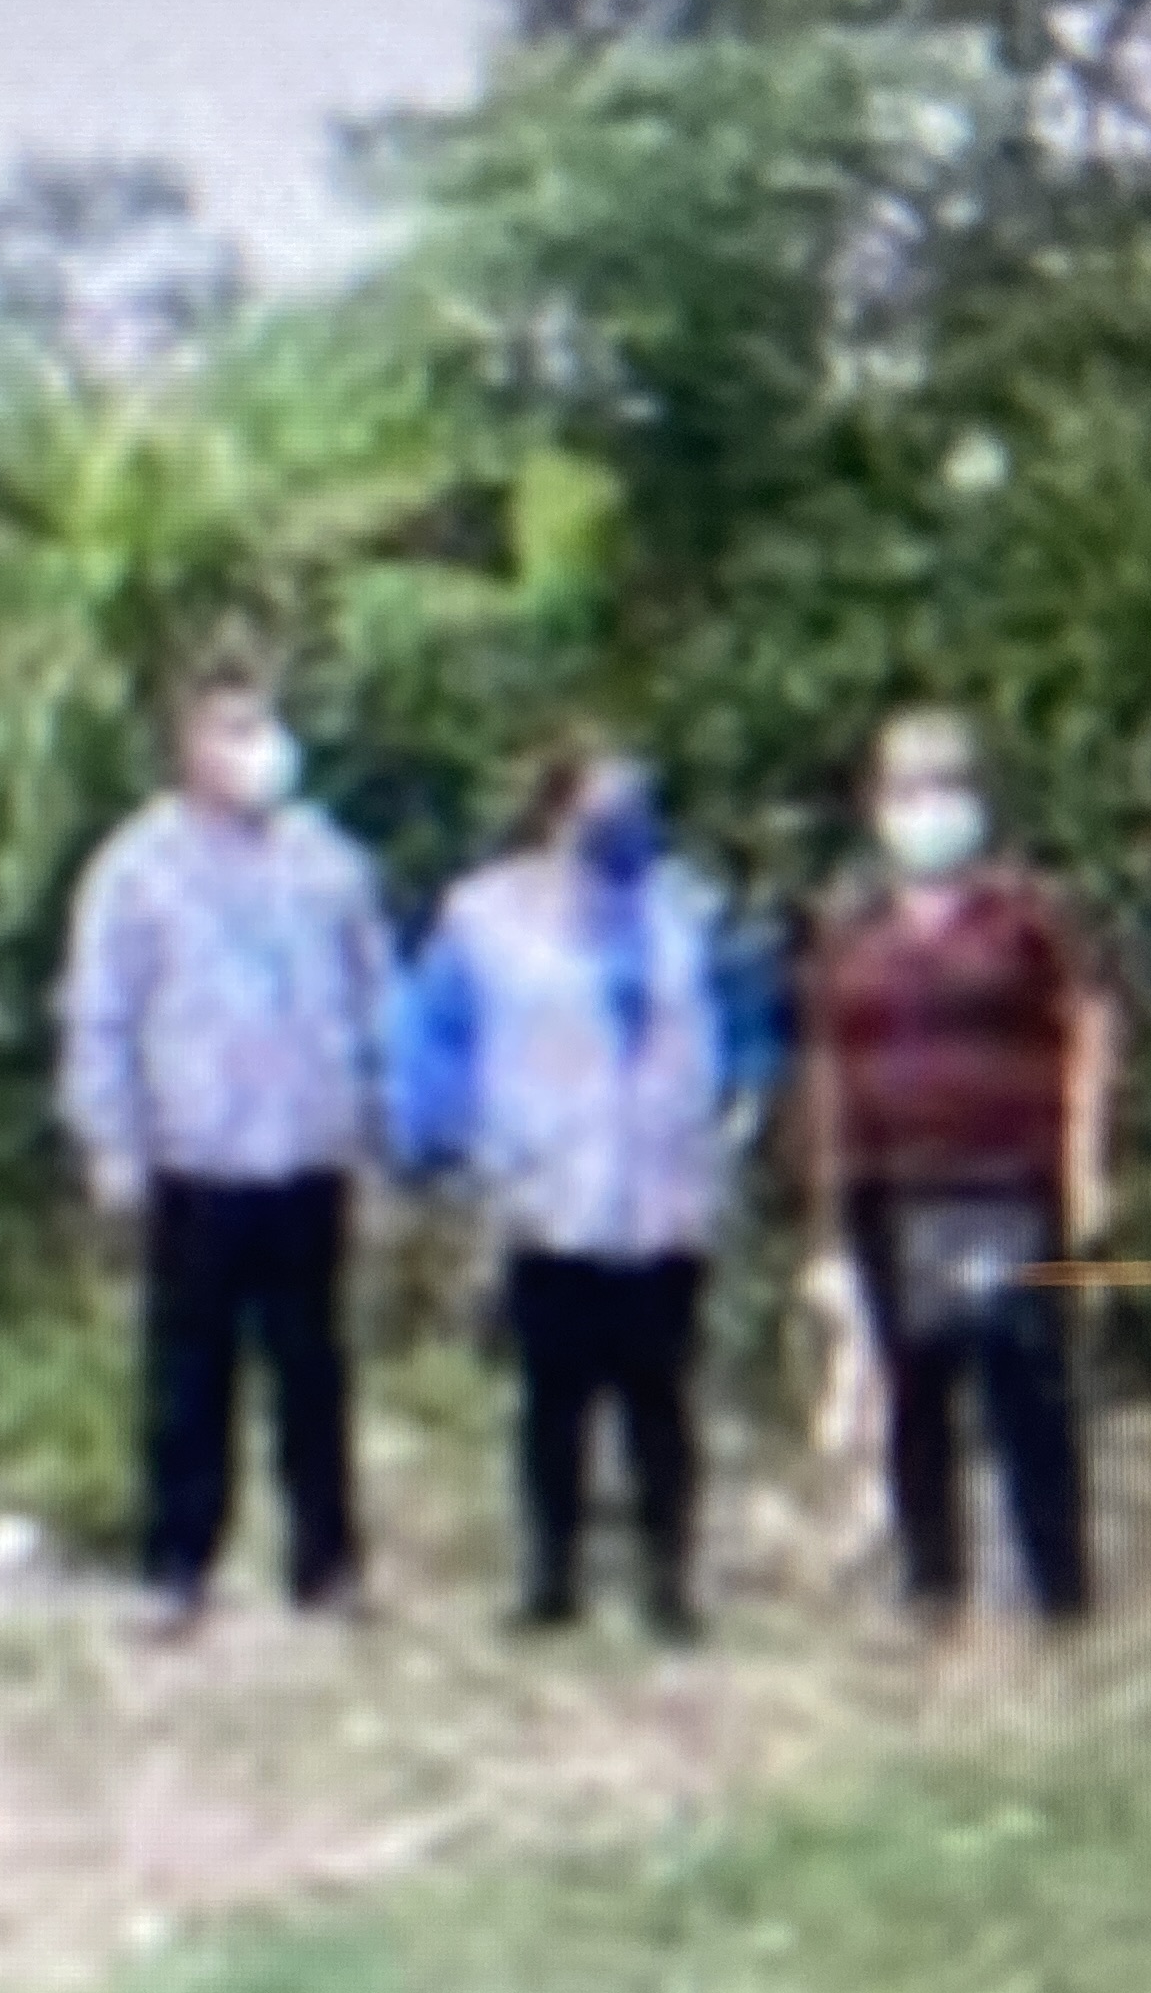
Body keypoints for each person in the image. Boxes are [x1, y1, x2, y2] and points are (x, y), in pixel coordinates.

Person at [387, 739, 753, 1642]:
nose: (624, 823)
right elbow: (435, 1036)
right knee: (555, 1396)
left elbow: (742, 1027)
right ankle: (550, 1579)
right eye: (604, 805)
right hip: (545, 1190)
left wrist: (733, 1115)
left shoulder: (689, 910)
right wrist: (438, 1140)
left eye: (637, 803)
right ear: (556, 812)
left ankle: (667, 1582)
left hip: (663, 1190)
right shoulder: (487, 917)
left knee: (660, 1396)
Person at [59, 660, 393, 1641]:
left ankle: (327, 1565)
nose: (257, 748)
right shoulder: (137, 871)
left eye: (263, 724)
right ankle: (177, 1566)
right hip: (194, 1158)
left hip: (308, 1153)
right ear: (188, 749)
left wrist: (378, 1123)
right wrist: (111, 1143)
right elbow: (101, 1014)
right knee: (188, 1376)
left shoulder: (327, 861)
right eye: (231, 729)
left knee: (314, 1370)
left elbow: (376, 992)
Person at [802, 708, 1120, 1636]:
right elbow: (823, 1051)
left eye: (947, 786)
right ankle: (932, 1582)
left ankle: (1058, 1588)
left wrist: (1085, 1158)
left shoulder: (1029, 915)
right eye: (908, 789)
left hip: (1007, 1179)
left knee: (1027, 1382)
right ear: (876, 805)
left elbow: (1092, 1021)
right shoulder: (850, 922)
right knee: (913, 1385)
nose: (928, 810)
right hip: (889, 1181)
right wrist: (827, 1178)